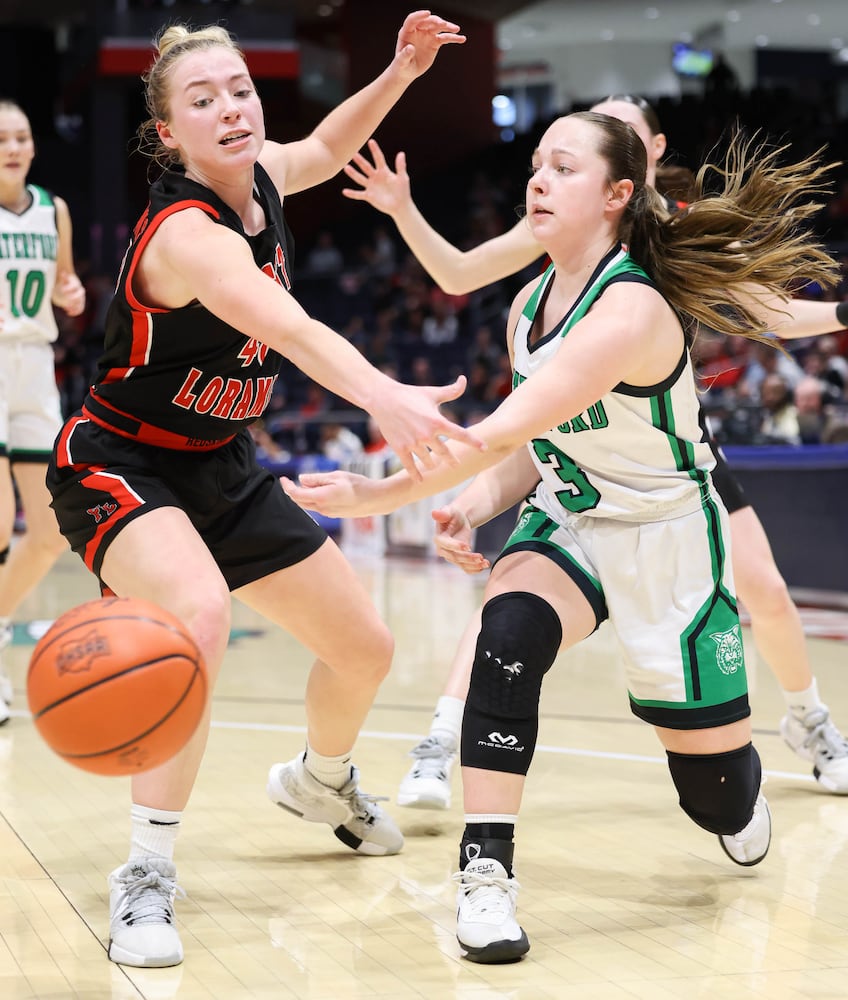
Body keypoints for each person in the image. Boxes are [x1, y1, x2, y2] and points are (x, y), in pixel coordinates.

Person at [284, 110, 841, 962]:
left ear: (620, 194)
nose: (537, 180)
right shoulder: (528, 306)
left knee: (719, 800)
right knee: (507, 633)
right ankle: (485, 873)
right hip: (575, 520)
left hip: (668, 539)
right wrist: (472, 506)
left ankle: (741, 791)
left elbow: (501, 430)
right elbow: (534, 451)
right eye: (535, 165)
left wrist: (376, 493)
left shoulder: (631, 309)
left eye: (563, 168)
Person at [44, 13, 482, 970]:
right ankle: (147, 874)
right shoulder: (185, 233)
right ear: (170, 134)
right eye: (202, 101)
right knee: (194, 619)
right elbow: (285, 325)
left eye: (238, 89)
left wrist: (402, 70)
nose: (230, 108)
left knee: (364, 648)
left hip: (223, 467)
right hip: (122, 460)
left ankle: (323, 782)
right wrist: (388, 399)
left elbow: (327, 146)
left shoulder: (266, 182)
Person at [0, 99, 86, 725]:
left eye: (22, 136)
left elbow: (66, 285)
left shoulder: (54, 209)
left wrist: (72, 291)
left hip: (35, 368)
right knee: (1, 521)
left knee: (54, 531)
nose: (13, 146)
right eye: (2, 138)